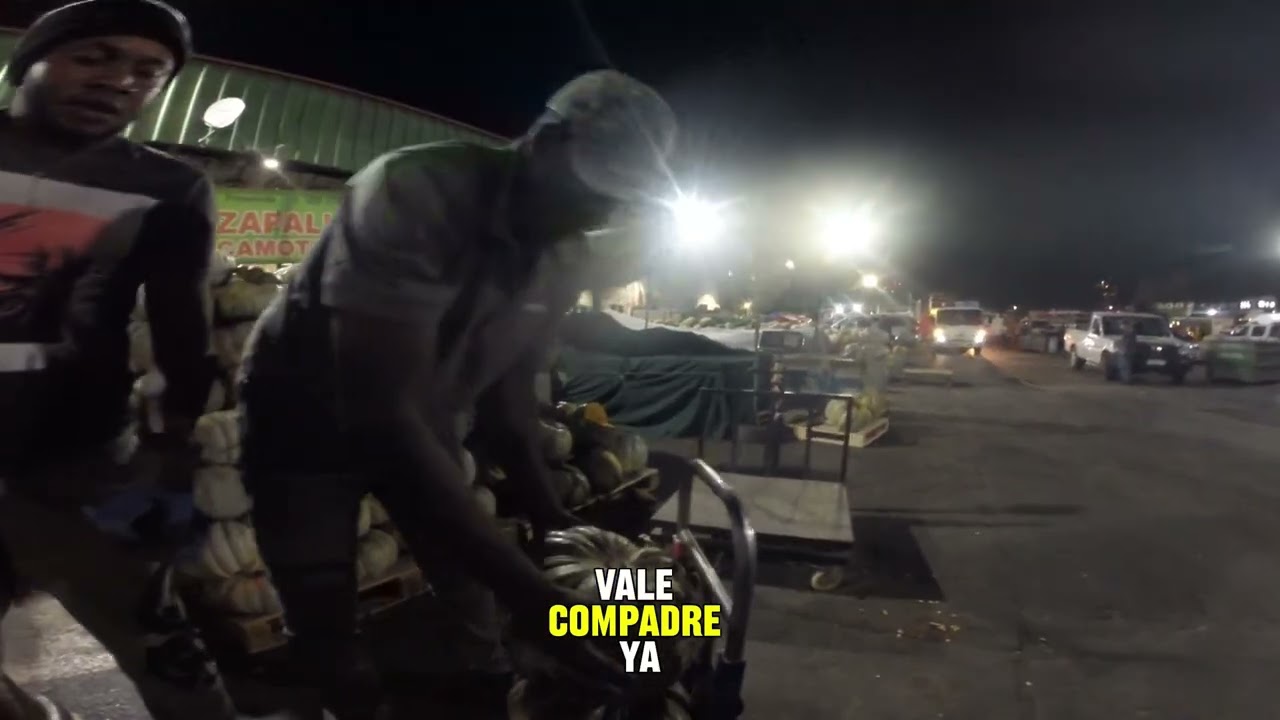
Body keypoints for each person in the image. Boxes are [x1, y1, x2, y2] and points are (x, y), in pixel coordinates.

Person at [238, 69, 677, 718]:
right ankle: (349, 698)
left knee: (469, 582)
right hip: (303, 422)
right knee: (325, 611)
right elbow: (380, 413)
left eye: (620, 199)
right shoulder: (415, 189)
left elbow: (508, 397)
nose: (601, 211)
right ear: (546, 143)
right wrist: (536, 598)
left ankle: (491, 688)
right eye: (595, 188)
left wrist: (553, 519)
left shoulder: (565, 254)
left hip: (425, 416)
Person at [0, 1, 231, 718]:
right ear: (29, 61)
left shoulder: (169, 188)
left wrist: (169, 461)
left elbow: (180, 339)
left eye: (146, 71)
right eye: (94, 56)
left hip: (79, 466)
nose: (119, 81)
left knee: (167, 658)